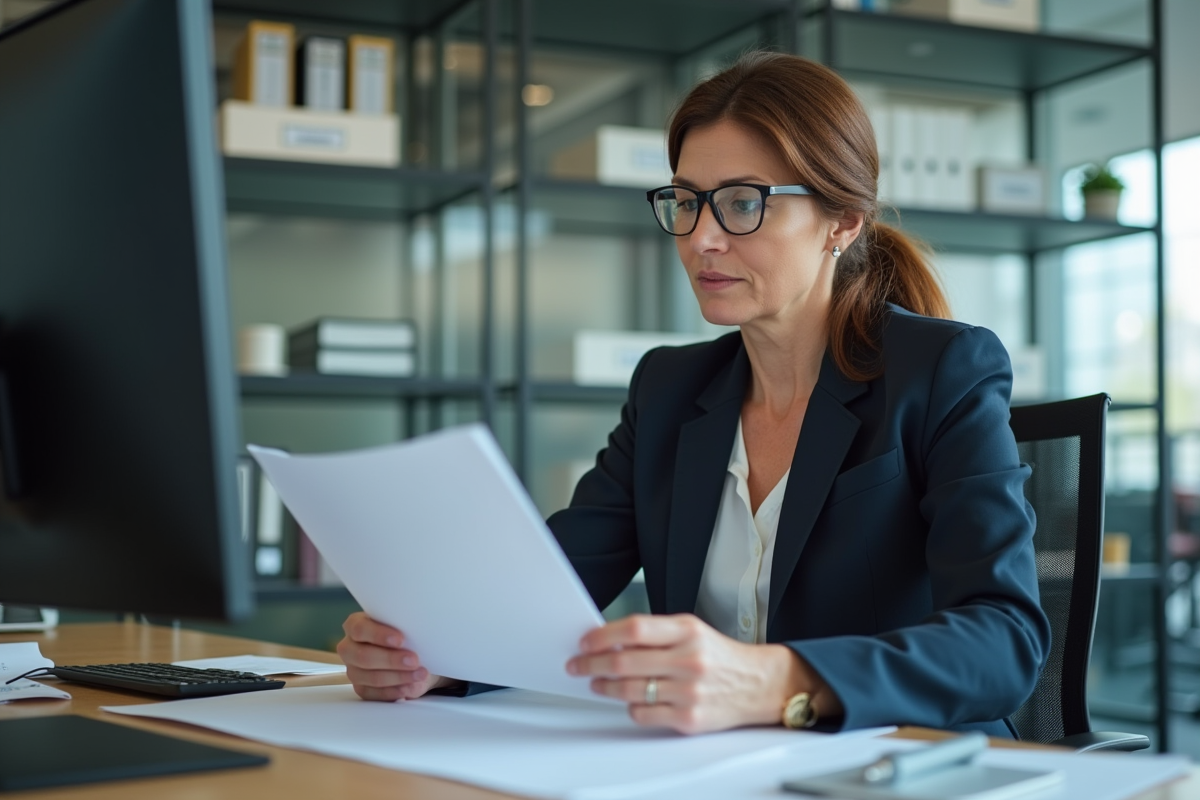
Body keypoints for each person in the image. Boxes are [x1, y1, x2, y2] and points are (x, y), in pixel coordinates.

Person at [337, 51, 1050, 738]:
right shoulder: (670, 389)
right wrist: (435, 655)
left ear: (842, 221)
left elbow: (1003, 639)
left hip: (899, 762)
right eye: (686, 202)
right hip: (717, 766)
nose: (702, 237)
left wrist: (775, 681)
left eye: (744, 203)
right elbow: (551, 590)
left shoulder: (943, 369)